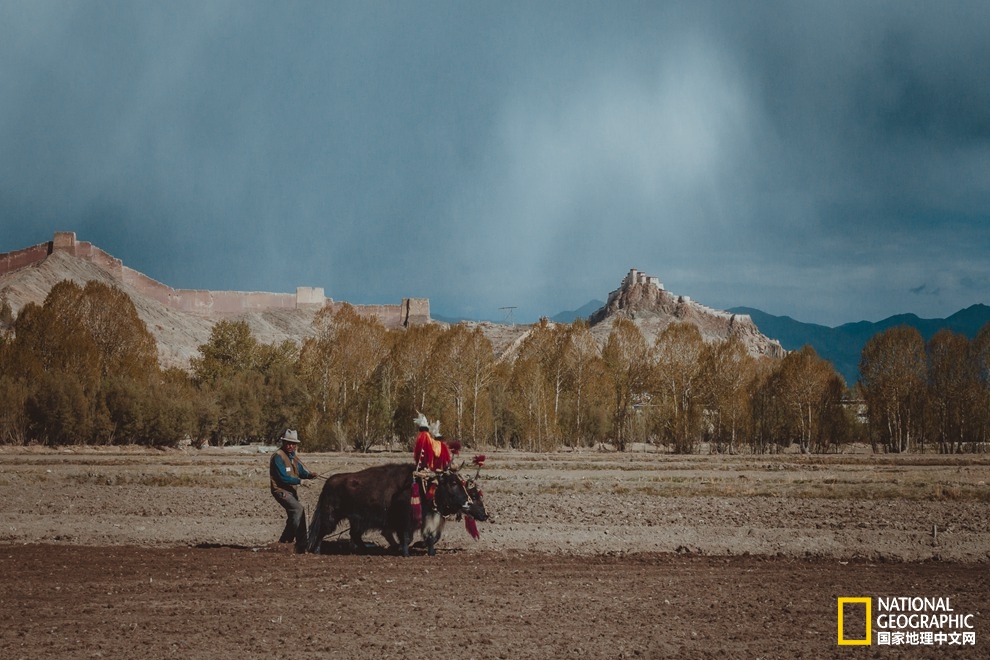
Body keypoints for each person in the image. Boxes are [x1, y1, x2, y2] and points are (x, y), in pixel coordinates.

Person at [270, 429, 318, 553]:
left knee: (294, 514)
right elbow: (283, 478)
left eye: (293, 444)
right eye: (288, 443)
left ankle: (286, 541)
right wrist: (301, 482)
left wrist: (309, 475)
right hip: (281, 491)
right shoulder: (278, 457)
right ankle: (299, 542)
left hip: (291, 492)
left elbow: (301, 472)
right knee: (298, 510)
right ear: (284, 443)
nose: (290, 446)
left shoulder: (293, 457)